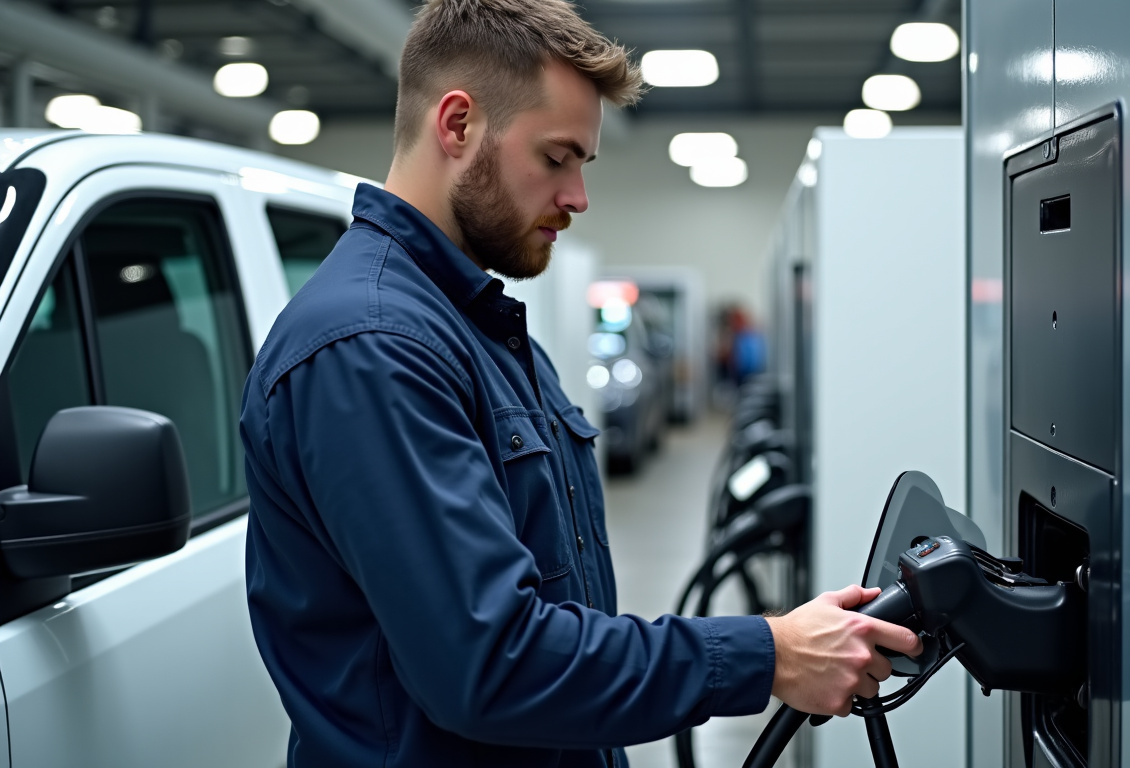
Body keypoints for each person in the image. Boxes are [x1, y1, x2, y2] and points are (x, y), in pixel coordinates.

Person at [239, 1, 922, 766]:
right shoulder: (373, 348)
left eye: (582, 166)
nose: (577, 198)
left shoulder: (477, 329)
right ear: (458, 125)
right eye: (557, 158)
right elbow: (491, 664)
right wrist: (769, 654)